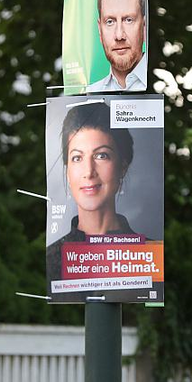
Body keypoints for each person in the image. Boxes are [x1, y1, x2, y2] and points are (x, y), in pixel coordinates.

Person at [46, 102, 139, 279]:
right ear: (67, 171)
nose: (89, 171)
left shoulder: (146, 255)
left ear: (122, 167)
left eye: (101, 155)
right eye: (77, 158)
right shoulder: (52, 260)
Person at [86, 0, 147, 92]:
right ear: (100, 30)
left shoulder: (163, 87)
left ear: (144, 26)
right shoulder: (90, 94)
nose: (119, 35)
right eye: (110, 22)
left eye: (128, 20)